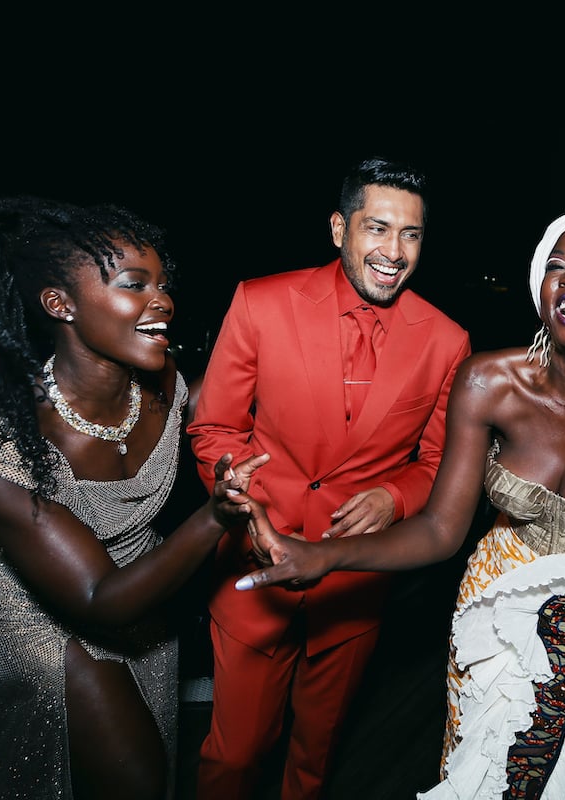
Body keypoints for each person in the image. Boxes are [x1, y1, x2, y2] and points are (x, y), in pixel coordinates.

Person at [232, 198, 565, 799]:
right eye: (557, 265)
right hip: (492, 606)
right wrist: (323, 555)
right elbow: (441, 527)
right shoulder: (490, 381)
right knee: (477, 772)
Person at [0, 193, 268, 800]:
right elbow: (100, 600)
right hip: (43, 611)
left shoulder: (163, 383)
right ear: (60, 304)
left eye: (163, 284)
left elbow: (246, 385)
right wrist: (215, 517)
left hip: (147, 588)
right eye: (135, 284)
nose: (164, 301)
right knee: (137, 775)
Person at [186, 156, 472, 800]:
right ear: (340, 228)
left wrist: (396, 497)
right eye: (377, 228)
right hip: (253, 574)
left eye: (412, 235)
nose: (393, 251)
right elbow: (214, 431)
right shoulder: (259, 303)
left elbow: (436, 465)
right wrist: (241, 499)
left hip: (351, 590)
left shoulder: (447, 342)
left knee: (314, 762)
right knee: (234, 758)